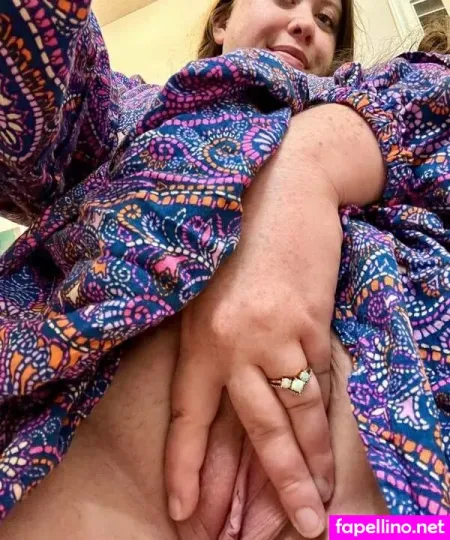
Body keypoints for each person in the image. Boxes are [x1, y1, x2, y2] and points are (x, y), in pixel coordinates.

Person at [0, 1, 448, 538]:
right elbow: (26, 73)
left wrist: (312, 160)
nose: (306, 24)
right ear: (220, 21)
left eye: (327, 19)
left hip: (383, 512)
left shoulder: (376, 105)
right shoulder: (130, 111)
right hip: (89, 486)